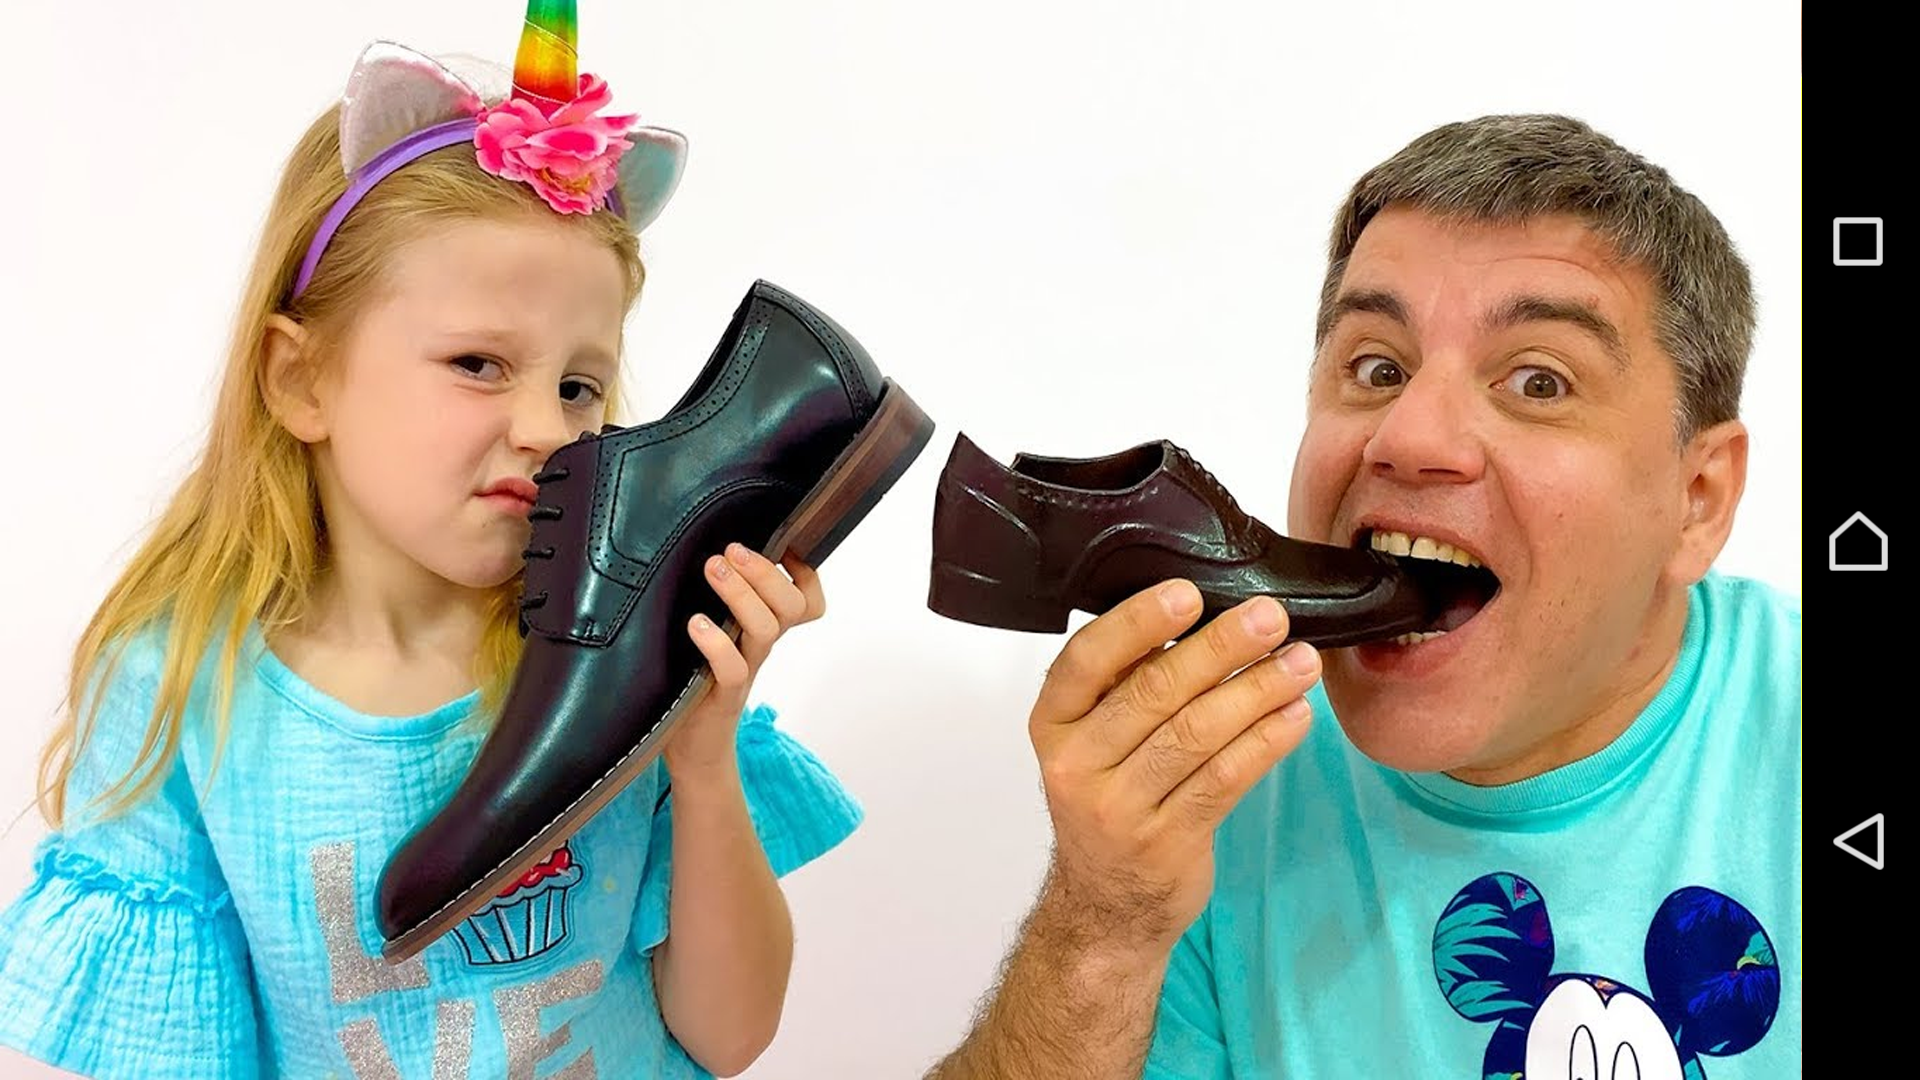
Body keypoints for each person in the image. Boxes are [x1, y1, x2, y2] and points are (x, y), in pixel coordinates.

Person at [0, 12, 860, 1079]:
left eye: (578, 385)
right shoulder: (182, 689)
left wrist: (702, 751)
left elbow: (730, 1037)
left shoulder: (613, 654)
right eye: (478, 364)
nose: (547, 427)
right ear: (300, 379)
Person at [930, 114, 1798, 1078]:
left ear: (1697, 498)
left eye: (1538, 382)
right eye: (1377, 368)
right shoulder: (1221, 780)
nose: (1409, 436)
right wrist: (1102, 923)